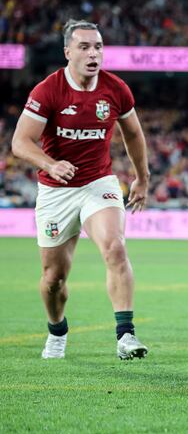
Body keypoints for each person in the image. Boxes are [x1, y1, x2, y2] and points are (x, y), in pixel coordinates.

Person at [11, 19, 150, 360]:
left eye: (98, 46)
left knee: (115, 248)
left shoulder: (115, 89)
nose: (93, 53)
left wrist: (142, 177)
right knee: (53, 278)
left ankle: (125, 335)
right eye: (85, 47)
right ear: (68, 52)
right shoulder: (49, 90)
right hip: (56, 190)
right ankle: (57, 331)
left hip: (97, 183)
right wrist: (50, 164)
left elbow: (132, 133)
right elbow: (20, 142)